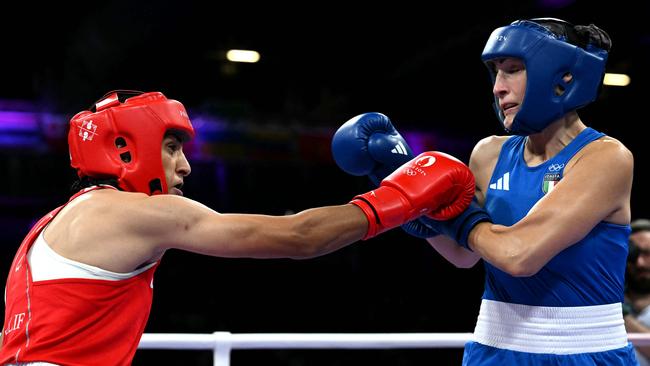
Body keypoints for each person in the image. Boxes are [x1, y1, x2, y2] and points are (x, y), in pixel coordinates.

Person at [0, 90, 475, 366]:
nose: (184, 167)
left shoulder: (54, 222)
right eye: (171, 148)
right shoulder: (132, 213)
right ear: (126, 149)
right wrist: (398, 197)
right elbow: (297, 237)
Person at [333, 18, 636, 365]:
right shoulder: (489, 152)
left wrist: (452, 215)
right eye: (495, 72)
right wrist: (413, 202)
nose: (498, 88)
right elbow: (464, 255)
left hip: (584, 351)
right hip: (493, 348)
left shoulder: (605, 157)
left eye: (514, 70)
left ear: (562, 76)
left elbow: (518, 255)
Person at [625, 219, 650, 365]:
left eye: (647, 253)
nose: (639, 263)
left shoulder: (615, 309)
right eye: (634, 254)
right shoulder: (604, 301)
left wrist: (623, 316)